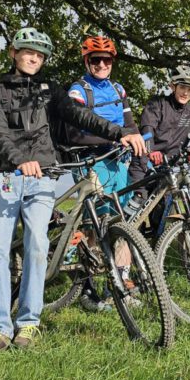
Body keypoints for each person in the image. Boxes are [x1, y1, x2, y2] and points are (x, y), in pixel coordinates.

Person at [0, 28, 145, 350]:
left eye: (40, 55)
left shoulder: (50, 91)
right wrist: (18, 160)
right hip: (7, 175)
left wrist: (119, 133)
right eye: (28, 52)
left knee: (38, 246)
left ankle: (28, 324)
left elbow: (80, 115)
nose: (34, 58)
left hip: (43, 175)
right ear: (14, 53)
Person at [62, 35, 141, 312]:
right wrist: (114, 139)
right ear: (87, 61)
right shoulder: (79, 91)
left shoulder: (118, 89)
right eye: (96, 59)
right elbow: (74, 133)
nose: (102, 64)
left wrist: (136, 141)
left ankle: (119, 287)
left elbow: (130, 124)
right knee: (94, 225)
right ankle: (86, 290)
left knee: (121, 223)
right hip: (90, 161)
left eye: (107, 59)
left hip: (118, 162)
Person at [129, 64, 190, 197]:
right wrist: (151, 151)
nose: (185, 93)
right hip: (144, 164)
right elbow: (147, 130)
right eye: (182, 87)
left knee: (164, 213)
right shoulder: (157, 104)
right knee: (137, 204)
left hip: (168, 170)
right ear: (173, 86)